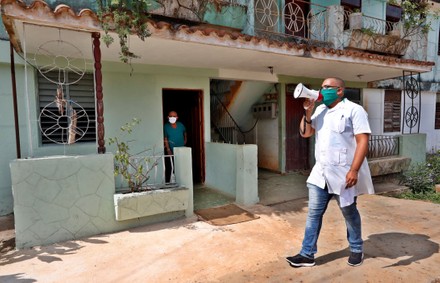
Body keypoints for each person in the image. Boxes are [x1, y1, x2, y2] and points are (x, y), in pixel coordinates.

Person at [286, 77, 374, 268]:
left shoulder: (354, 110)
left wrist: (354, 170)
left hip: (344, 175)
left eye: (327, 87)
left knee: (349, 213)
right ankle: (307, 254)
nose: (322, 90)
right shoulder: (320, 110)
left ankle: (357, 249)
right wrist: (307, 112)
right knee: (313, 215)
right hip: (321, 174)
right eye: (322, 86)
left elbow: (363, 141)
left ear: (340, 90)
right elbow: (306, 133)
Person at [163, 111, 187, 182]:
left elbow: (185, 132)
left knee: (182, 164)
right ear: (168, 117)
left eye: (174, 116)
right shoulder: (166, 126)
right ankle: (173, 180)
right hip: (172, 149)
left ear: (177, 117)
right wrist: (168, 149)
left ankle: (183, 179)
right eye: (171, 116)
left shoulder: (180, 125)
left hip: (182, 148)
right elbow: (165, 138)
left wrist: (185, 139)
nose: (172, 118)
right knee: (173, 165)